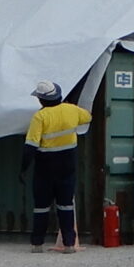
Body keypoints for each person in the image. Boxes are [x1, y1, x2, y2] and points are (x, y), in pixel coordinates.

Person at [24, 79, 91, 253]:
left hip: (45, 168)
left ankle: (37, 244)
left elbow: (30, 146)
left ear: (41, 100)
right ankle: (69, 244)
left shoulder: (40, 117)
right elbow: (88, 117)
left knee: (41, 207)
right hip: (67, 167)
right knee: (66, 206)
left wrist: (23, 168)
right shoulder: (72, 111)